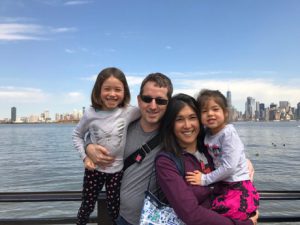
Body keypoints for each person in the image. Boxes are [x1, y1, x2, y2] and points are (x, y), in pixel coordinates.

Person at [156, 93, 258, 225]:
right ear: (171, 124)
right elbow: (191, 214)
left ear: (199, 120)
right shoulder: (166, 162)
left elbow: (230, 160)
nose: (187, 125)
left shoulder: (209, 149)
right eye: (179, 119)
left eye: (192, 117)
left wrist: (244, 162)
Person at [86, 72, 173, 225]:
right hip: (122, 217)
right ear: (139, 100)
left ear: (168, 103)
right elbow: (95, 132)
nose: (153, 106)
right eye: (147, 99)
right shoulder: (124, 125)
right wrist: (89, 147)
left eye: (160, 101)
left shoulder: (172, 133)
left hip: (156, 219)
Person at [72, 67, 140, 225]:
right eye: (107, 89)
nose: (112, 94)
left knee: (115, 208)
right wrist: (84, 157)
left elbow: (150, 112)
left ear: (125, 92)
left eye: (117, 89)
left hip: (117, 171)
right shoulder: (90, 113)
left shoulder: (129, 111)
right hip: (94, 169)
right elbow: (77, 135)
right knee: (87, 205)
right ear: (98, 90)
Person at [184, 89, 259, 220]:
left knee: (229, 216)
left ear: (225, 113)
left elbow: (229, 167)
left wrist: (204, 179)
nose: (210, 114)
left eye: (215, 109)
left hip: (237, 185)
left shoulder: (228, 134)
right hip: (224, 185)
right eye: (204, 111)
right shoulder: (207, 134)